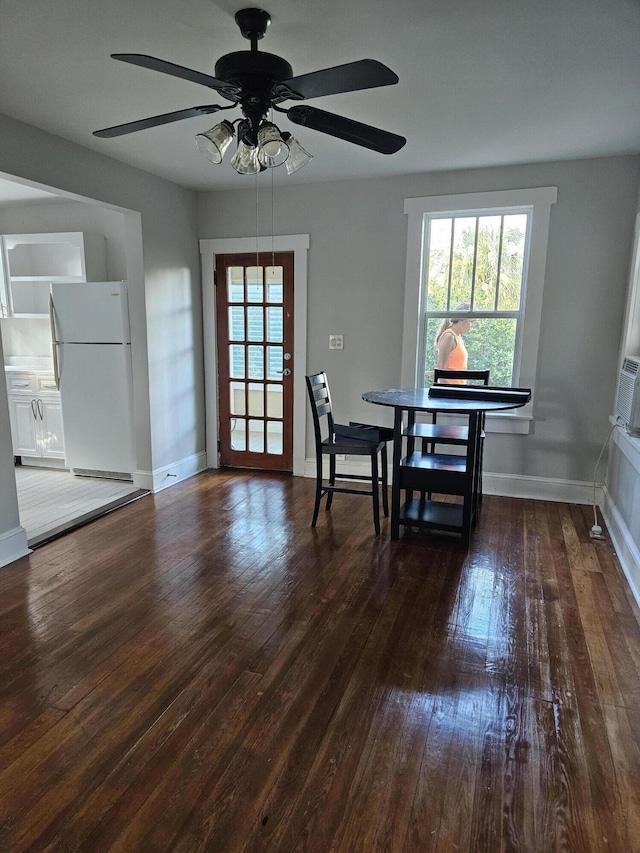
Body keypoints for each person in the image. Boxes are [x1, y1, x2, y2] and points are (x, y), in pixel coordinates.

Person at [435, 303, 474, 383]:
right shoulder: (449, 336)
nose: (471, 326)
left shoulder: (458, 338)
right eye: (471, 322)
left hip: (458, 389)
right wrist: (445, 390)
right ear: (462, 320)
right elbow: (440, 366)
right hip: (450, 389)